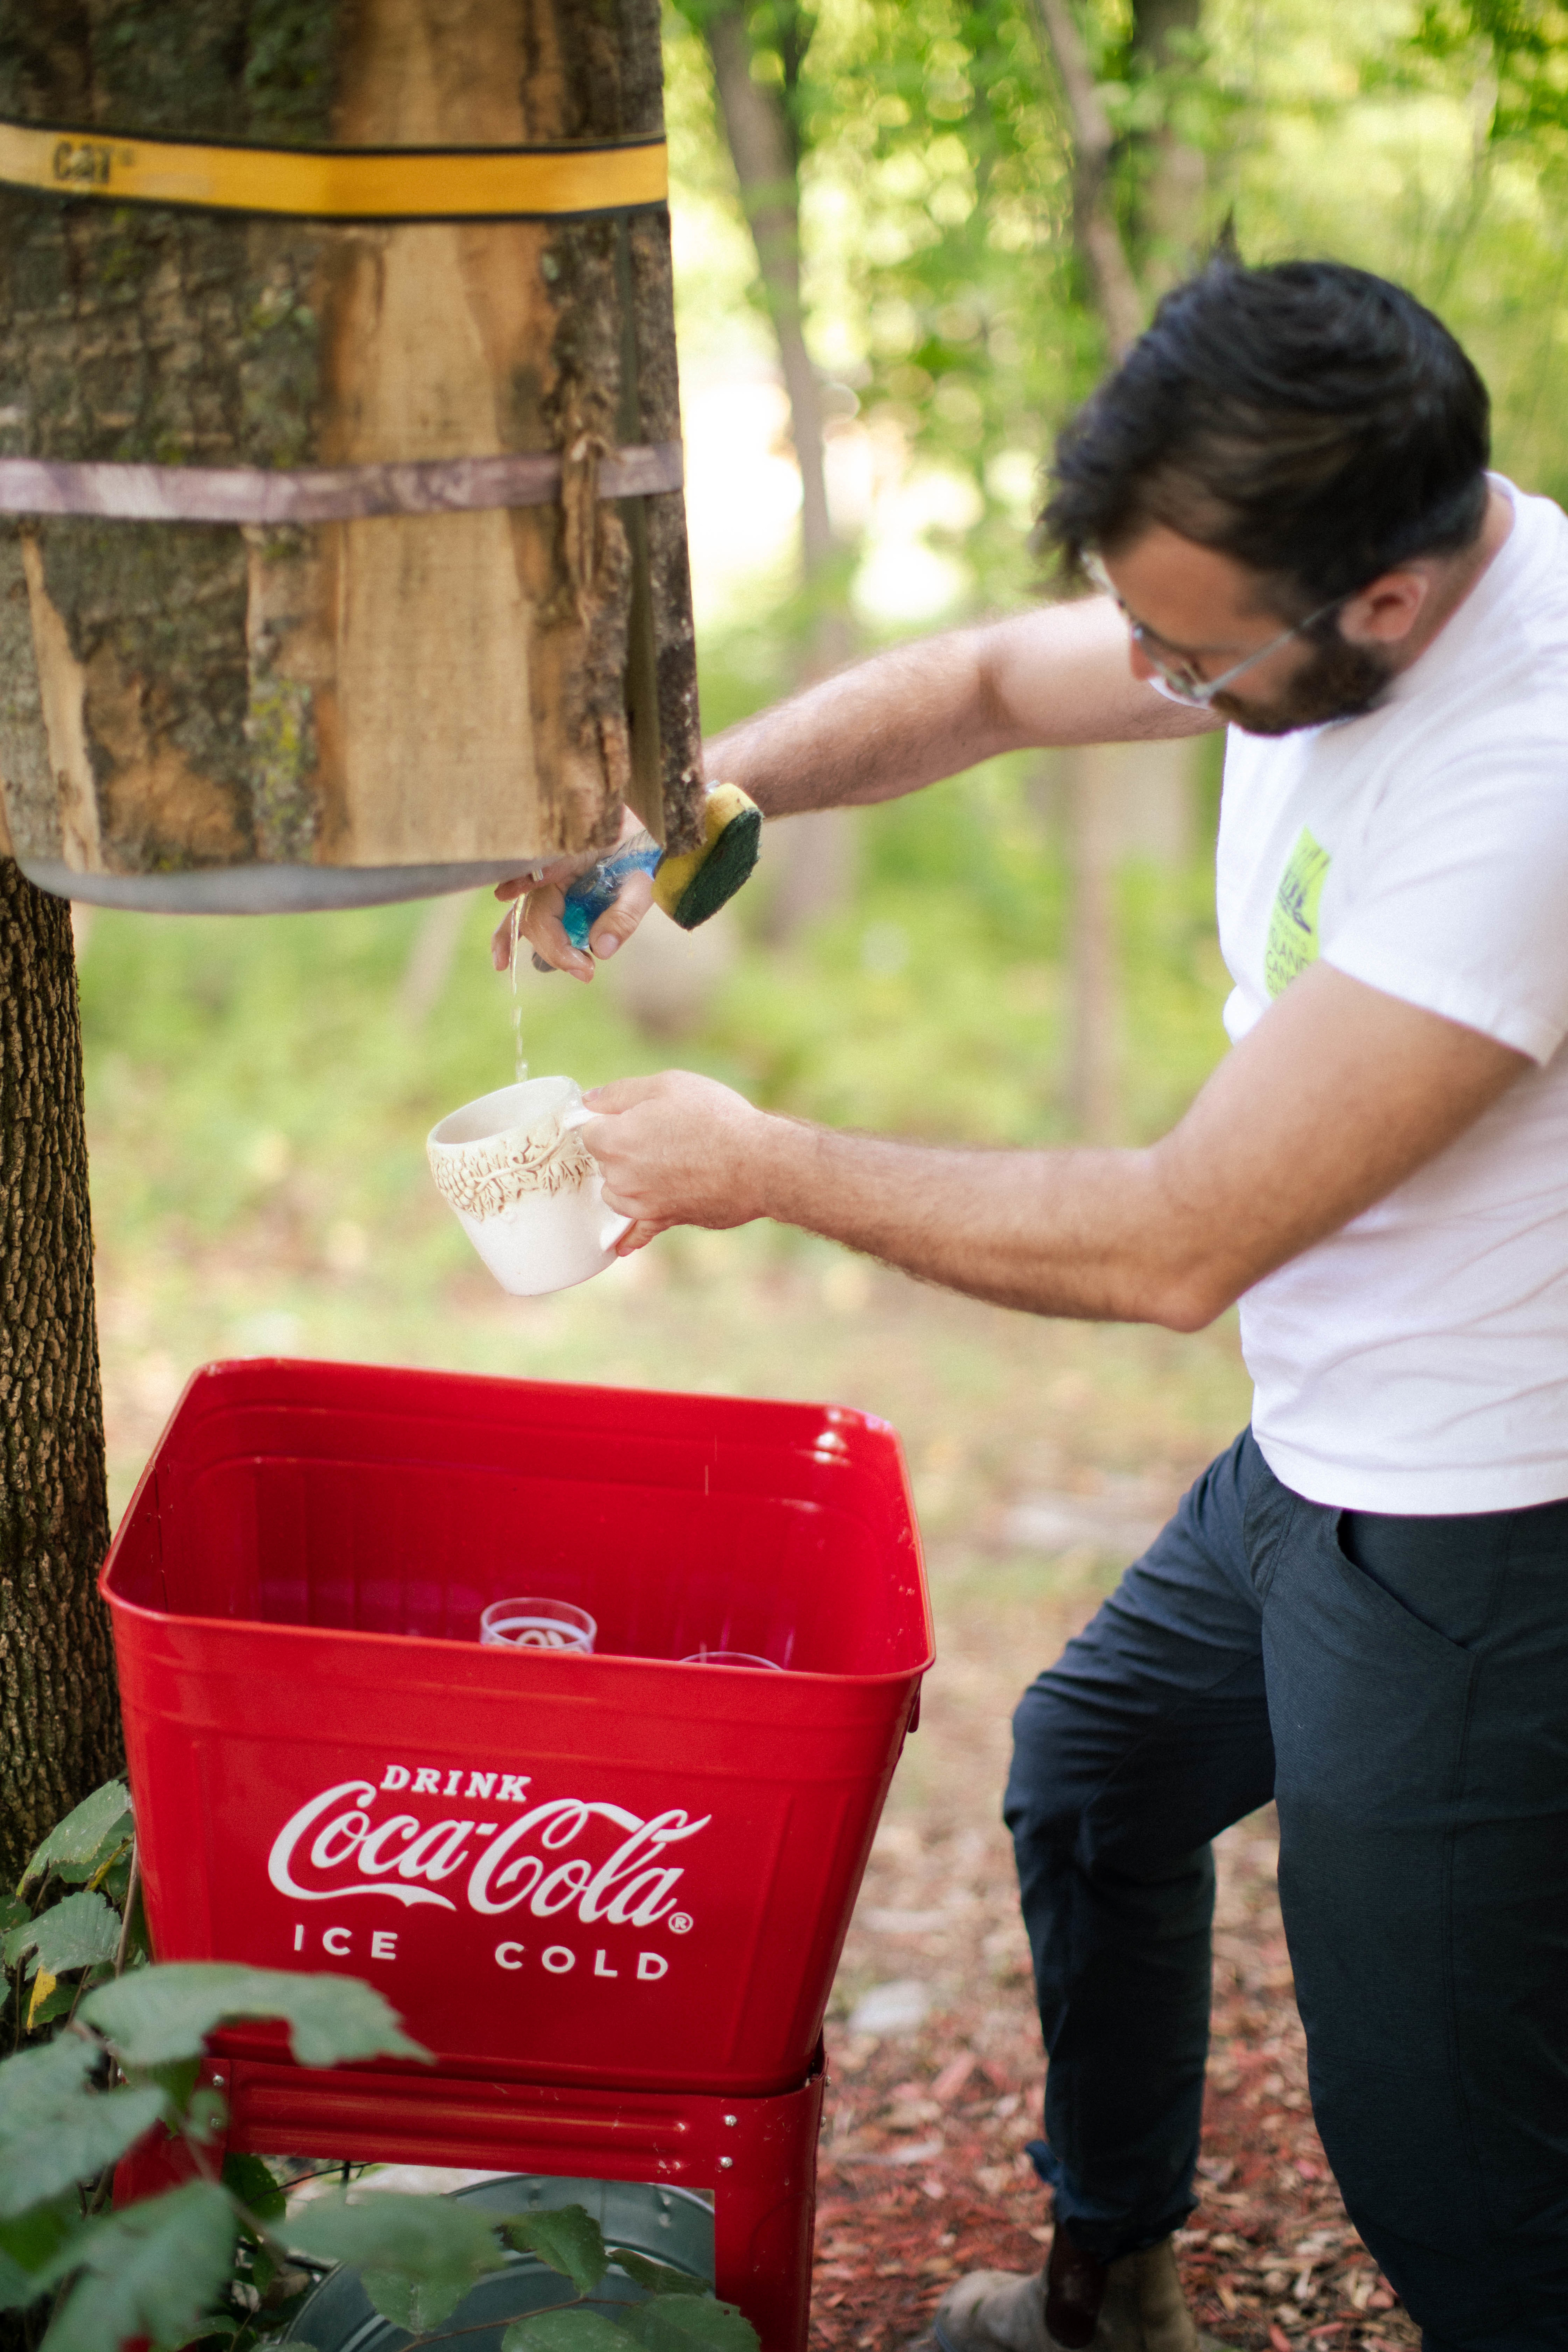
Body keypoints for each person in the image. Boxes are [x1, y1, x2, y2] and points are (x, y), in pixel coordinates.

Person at [497, 259, 1568, 2352]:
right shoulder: (1314, 555)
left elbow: (1177, 1241)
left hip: (1479, 1526)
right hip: (1322, 1446)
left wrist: (768, 1166)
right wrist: (704, 804)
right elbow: (994, 682)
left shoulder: (1529, 788)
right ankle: (1110, 2299)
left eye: (1191, 656)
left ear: (1387, 606)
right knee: (1095, 1773)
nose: (1155, 681)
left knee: (1452, 2172)